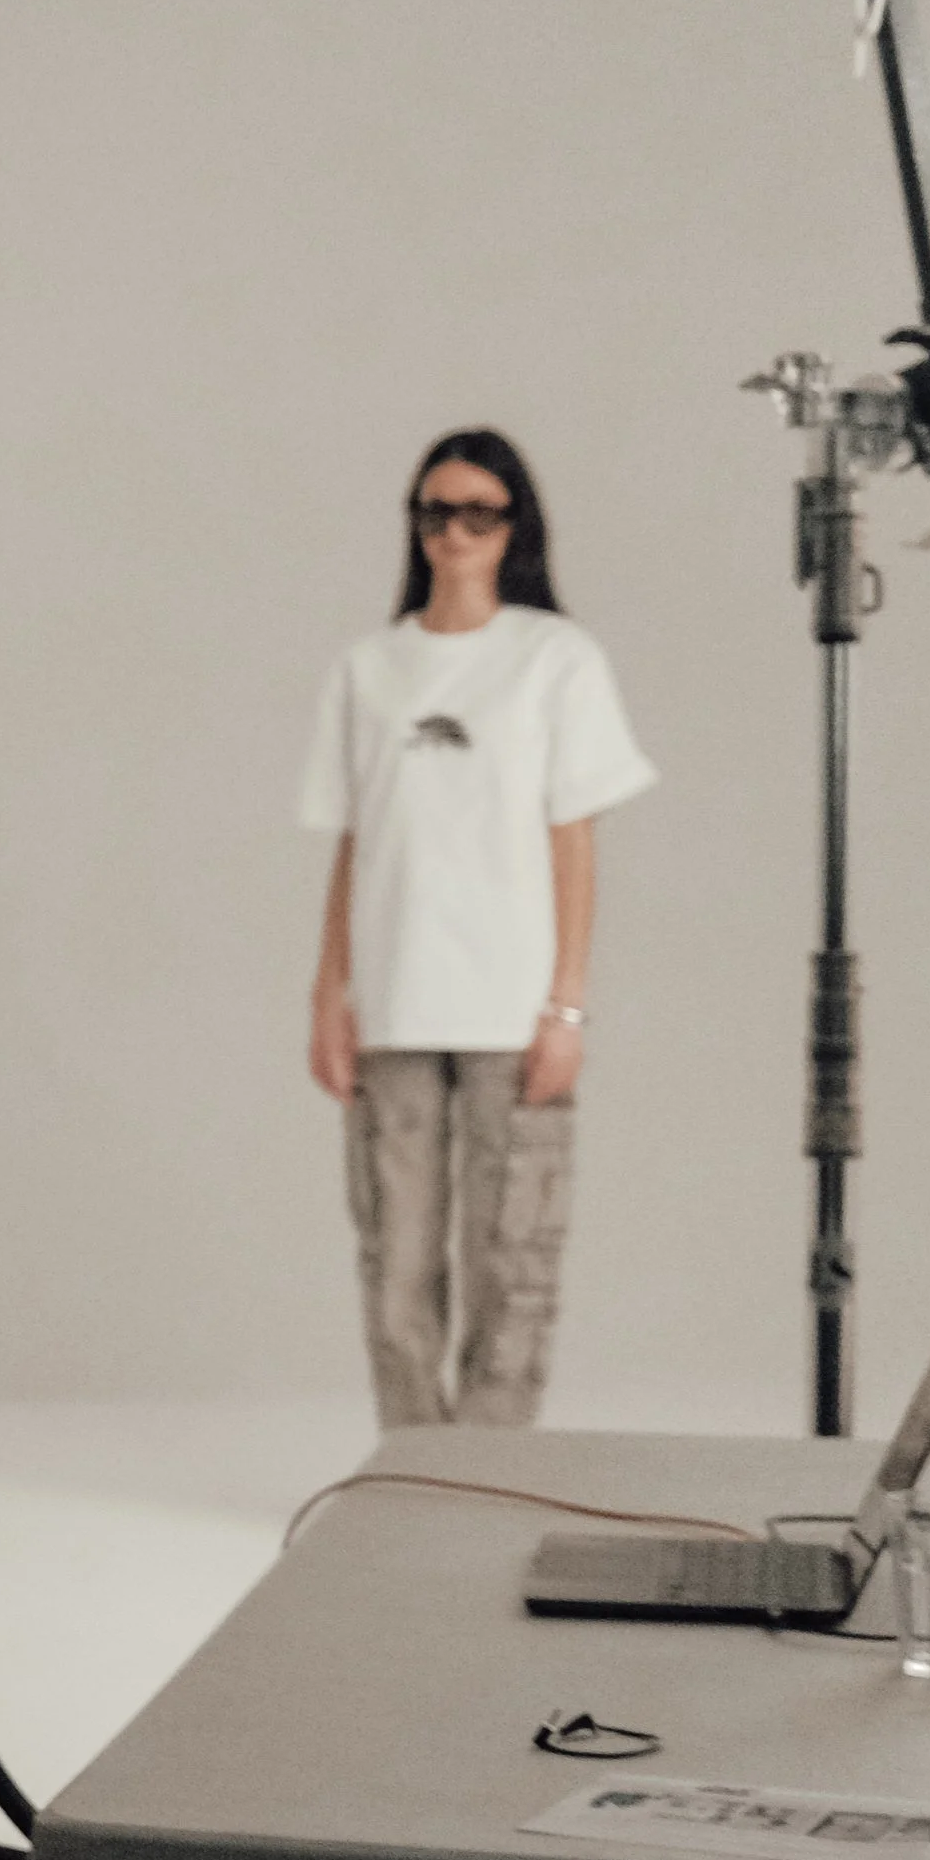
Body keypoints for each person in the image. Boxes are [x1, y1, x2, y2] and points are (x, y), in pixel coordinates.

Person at [299, 428, 655, 1429]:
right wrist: (329, 992)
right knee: (395, 1254)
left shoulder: (554, 658)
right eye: (434, 512)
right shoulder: (369, 667)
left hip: (514, 1004)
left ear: (513, 526)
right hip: (393, 1001)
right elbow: (352, 840)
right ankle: (413, 1464)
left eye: (478, 513)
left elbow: (572, 838)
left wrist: (568, 1005)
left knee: (515, 1255)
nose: (454, 532)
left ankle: (491, 1463)